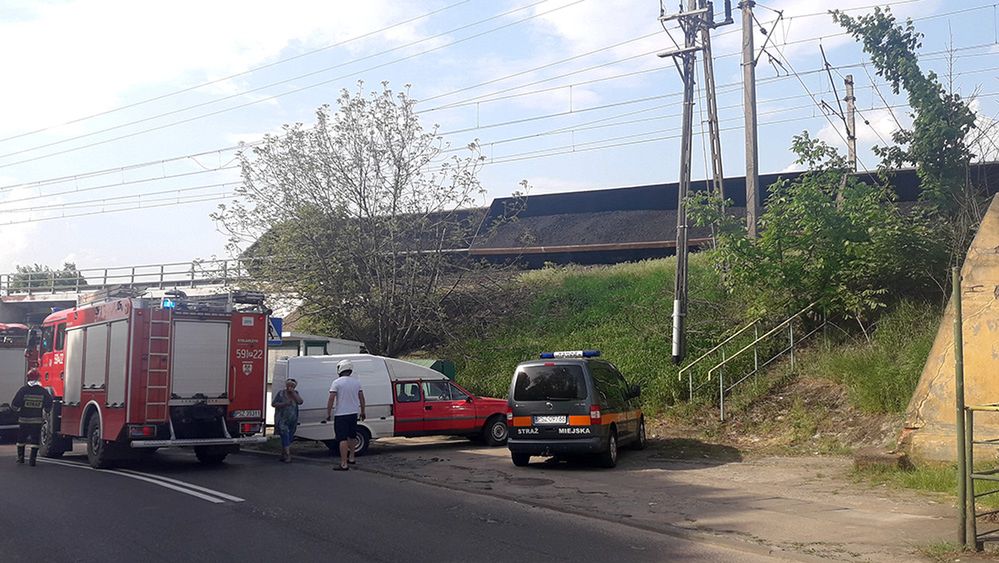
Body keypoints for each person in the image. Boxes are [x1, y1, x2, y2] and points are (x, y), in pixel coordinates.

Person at [325, 359, 365, 471]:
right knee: (352, 436)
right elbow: (361, 398)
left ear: (340, 369)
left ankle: (343, 463)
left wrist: (328, 413)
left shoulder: (337, 382)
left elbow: (331, 399)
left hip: (341, 414)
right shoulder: (356, 382)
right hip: (353, 413)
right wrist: (363, 411)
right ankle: (351, 458)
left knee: (342, 438)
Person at [10, 368, 53, 467]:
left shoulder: (23, 390)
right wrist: (46, 410)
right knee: (35, 440)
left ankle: (20, 458)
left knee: (21, 439)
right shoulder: (42, 391)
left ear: (28, 378)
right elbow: (49, 403)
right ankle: (32, 460)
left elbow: (15, 404)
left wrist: (15, 412)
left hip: (23, 420)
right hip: (36, 421)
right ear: (38, 378)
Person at [271, 378, 303, 463]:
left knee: (289, 437)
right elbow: (273, 404)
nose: (290, 387)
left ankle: (283, 454)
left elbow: (300, 402)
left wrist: (293, 393)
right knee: (285, 435)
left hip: (293, 420)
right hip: (282, 419)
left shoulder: (295, 393)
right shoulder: (281, 393)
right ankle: (288, 455)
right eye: (289, 385)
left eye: (292, 386)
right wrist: (284, 404)